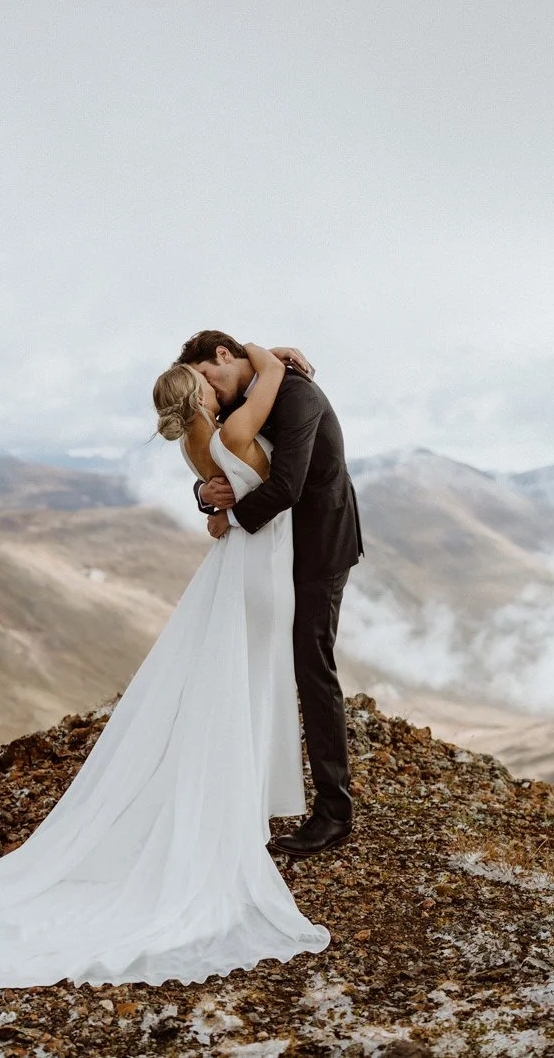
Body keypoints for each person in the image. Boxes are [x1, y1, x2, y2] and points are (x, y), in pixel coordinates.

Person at [0, 339, 331, 987]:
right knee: (247, 684)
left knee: (230, 685)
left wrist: (219, 508)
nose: (223, 387)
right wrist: (273, 354)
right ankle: (234, 813)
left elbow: (220, 512)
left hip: (241, 561)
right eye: (211, 380)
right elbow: (267, 388)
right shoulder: (239, 425)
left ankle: (237, 803)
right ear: (204, 391)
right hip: (262, 570)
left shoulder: (198, 445)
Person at [178, 330, 364, 858]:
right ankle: (258, 785)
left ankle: (333, 814)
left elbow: (287, 486)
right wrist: (205, 494)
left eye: (209, 377)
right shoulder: (250, 397)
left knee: (312, 663)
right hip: (274, 549)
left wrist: (228, 520)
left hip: (320, 546)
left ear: (223, 355)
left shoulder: (298, 394)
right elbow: (226, 461)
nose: (211, 393)